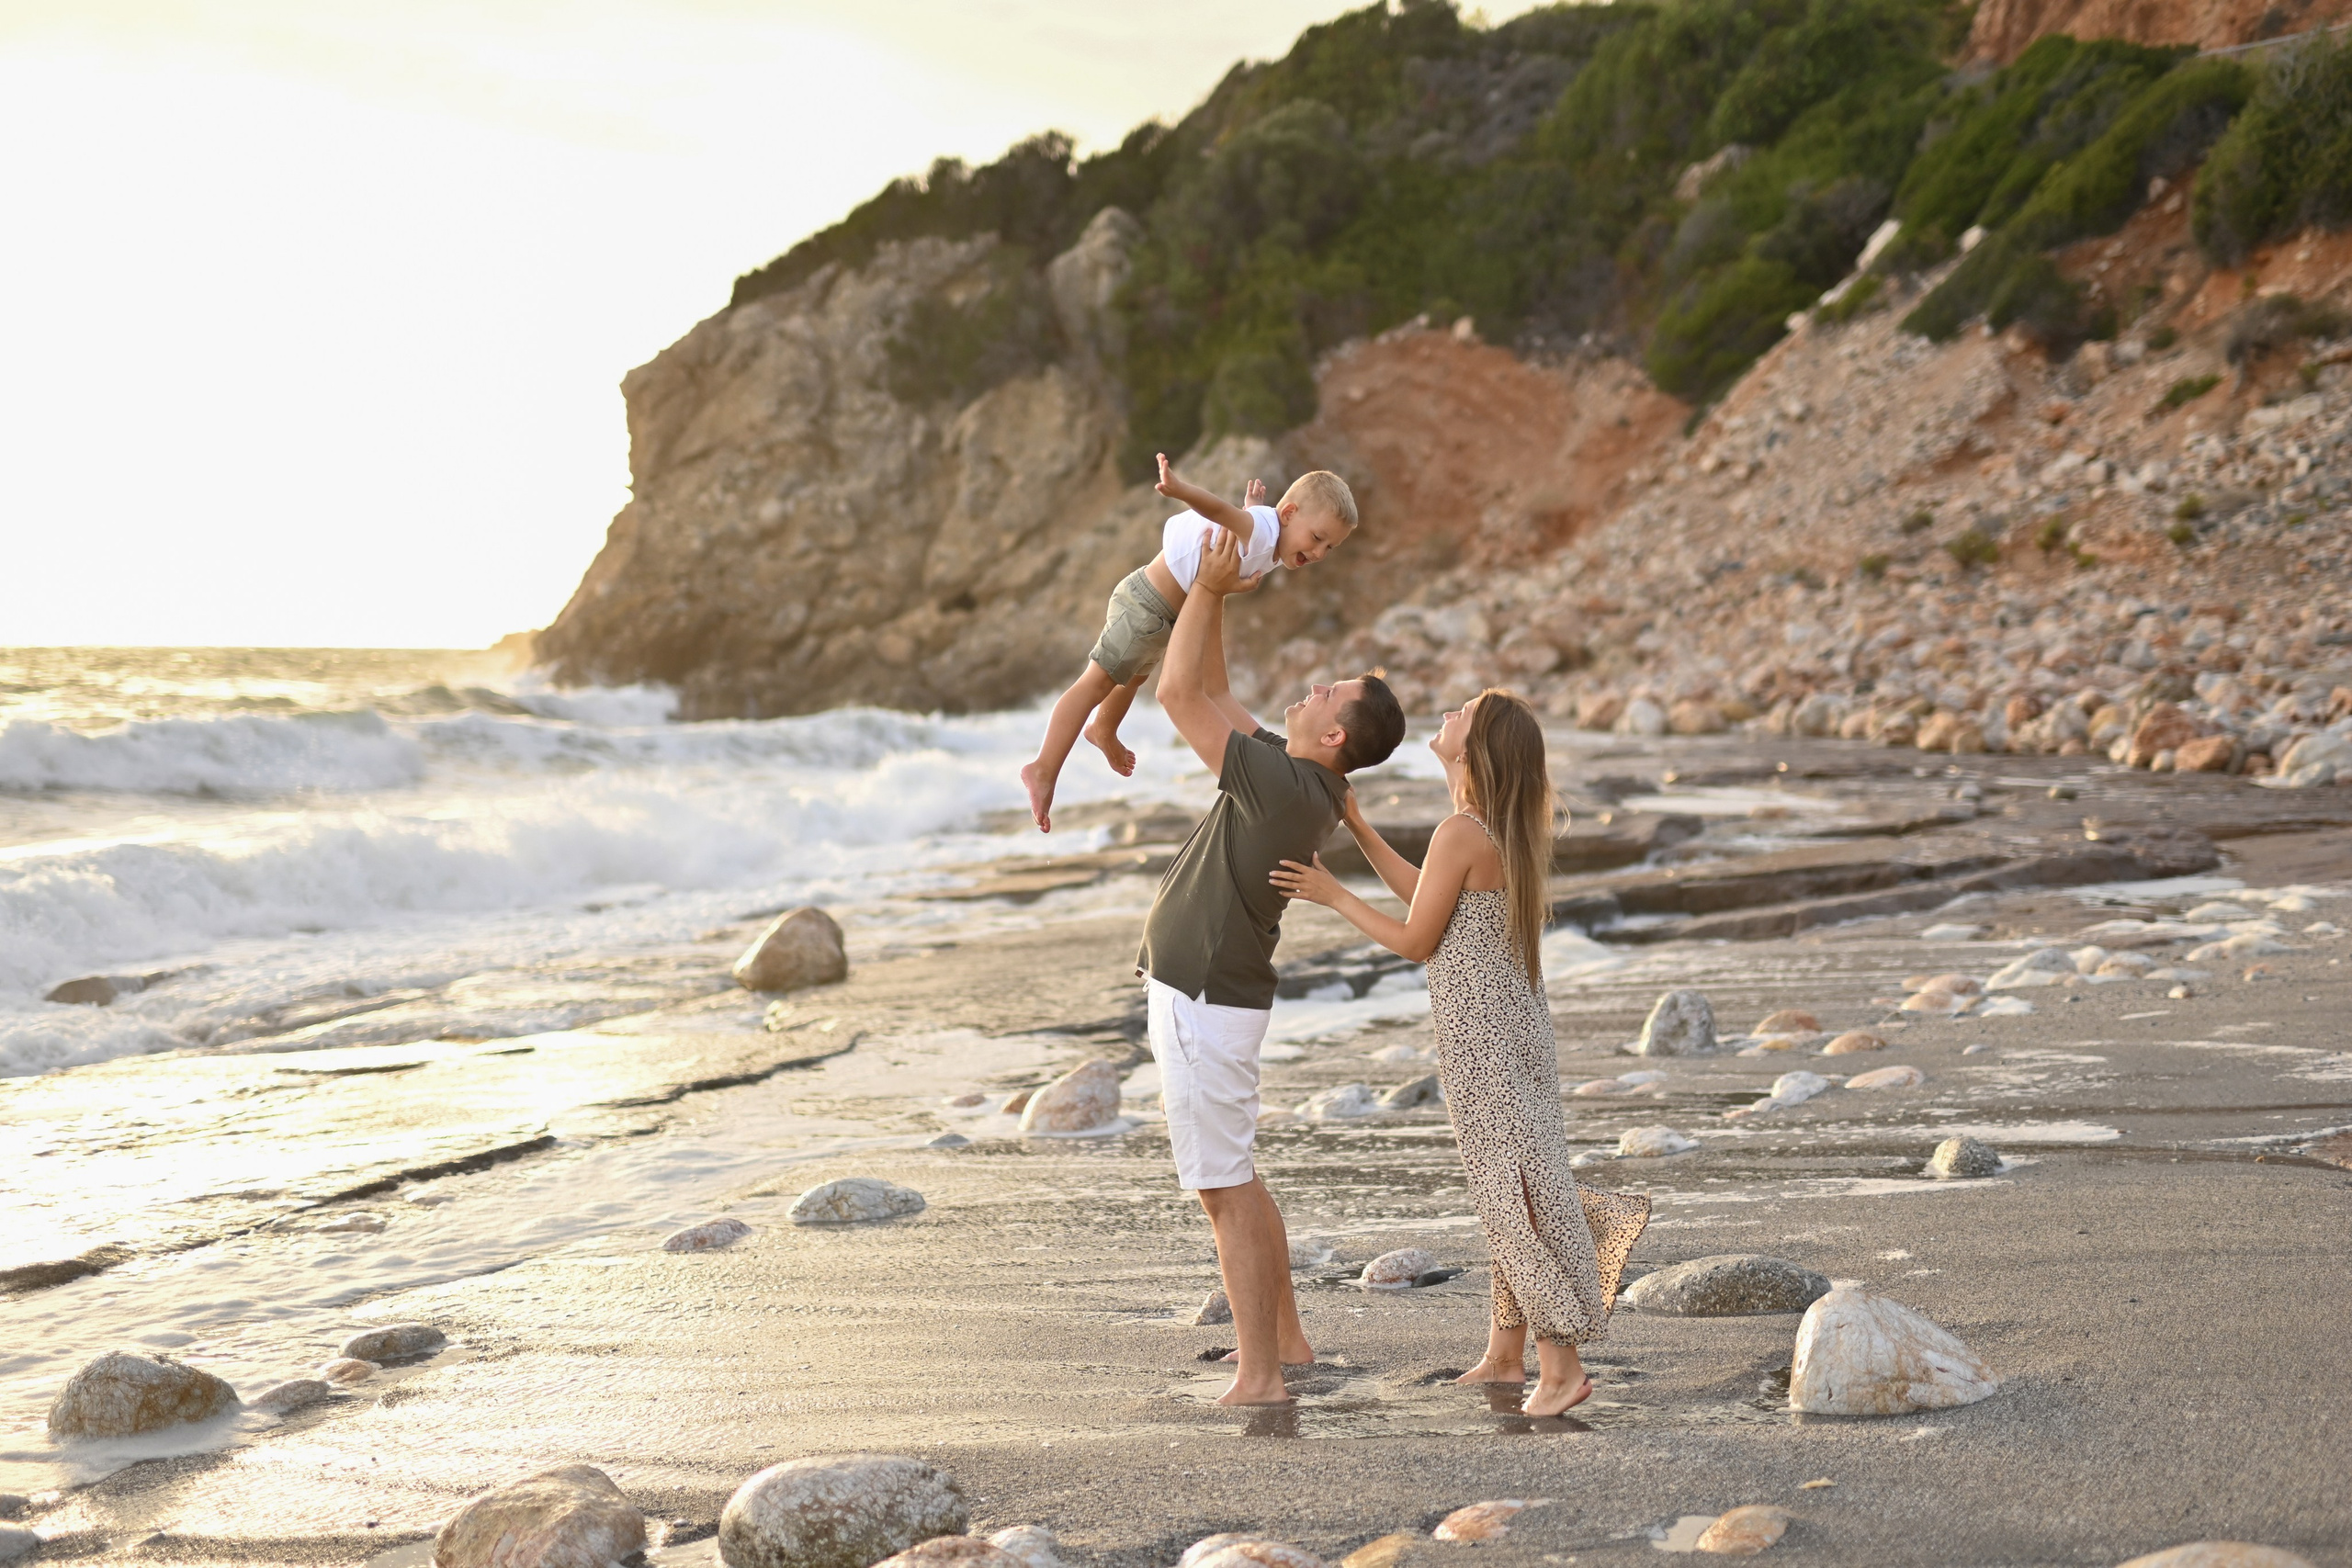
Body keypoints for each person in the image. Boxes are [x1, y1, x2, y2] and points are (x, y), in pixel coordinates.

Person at [1269, 689, 1649, 1417]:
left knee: (1511, 1195)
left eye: (1462, 713)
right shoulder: (1492, 828)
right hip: (1516, 1031)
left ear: (1476, 750)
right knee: (1521, 1183)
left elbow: (1416, 938)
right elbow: (1430, 898)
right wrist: (1360, 827)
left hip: (1484, 1042)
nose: (1446, 714)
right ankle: (1506, 1355)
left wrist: (1332, 894)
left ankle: (1561, 1366)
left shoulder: (1461, 830)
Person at [1140, 525, 1405, 1405]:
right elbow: (1214, 687)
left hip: (1205, 998)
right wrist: (1217, 584)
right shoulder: (1298, 776)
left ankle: (1262, 1376)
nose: (1314, 685)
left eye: (1332, 691)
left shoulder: (1286, 785)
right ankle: (1285, 1341)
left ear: (1333, 733)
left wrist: (1206, 588)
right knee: (1238, 1179)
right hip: (1213, 995)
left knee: (1224, 1189)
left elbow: (1176, 691)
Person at [1020, 453, 1358, 832]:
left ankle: (1103, 728)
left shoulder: (1273, 535)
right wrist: (1180, 490)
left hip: (1163, 616)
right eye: (1317, 538)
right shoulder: (1264, 532)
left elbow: (1245, 526)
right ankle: (1043, 767)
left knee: (1133, 677)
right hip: (1147, 604)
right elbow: (1219, 511)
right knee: (1096, 682)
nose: (1319, 553)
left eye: (1330, 547)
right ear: (1290, 513)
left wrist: (1253, 508)